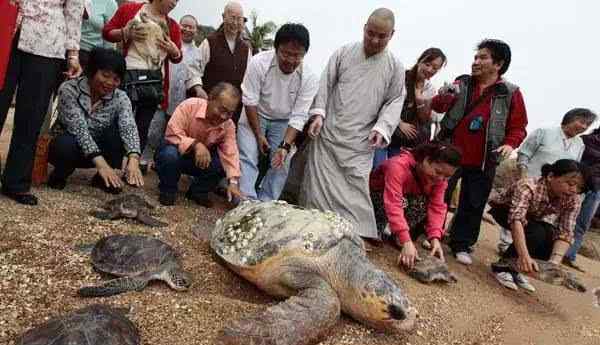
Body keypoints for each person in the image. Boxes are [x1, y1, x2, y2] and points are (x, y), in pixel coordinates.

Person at [300, 8, 406, 240]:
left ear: (392, 35)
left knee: (355, 187)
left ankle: (352, 234)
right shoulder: (344, 52)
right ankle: (314, 227)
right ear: (364, 28)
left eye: (382, 36)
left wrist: (382, 127)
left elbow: (395, 101)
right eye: (371, 33)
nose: (375, 40)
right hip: (330, 131)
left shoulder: (395, 67)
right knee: (318, 186)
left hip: (361, 139)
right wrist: (318, 114)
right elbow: (325, 84)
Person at [431, 39, 528, 265]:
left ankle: (461, 244)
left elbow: (518, 127)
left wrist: (510, 144)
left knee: (474, 202)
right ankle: (429, 232)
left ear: (498, 64)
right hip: (451, 152)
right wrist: (445, 95)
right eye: (476, 57)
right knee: (439, 193)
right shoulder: (462, 83)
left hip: (486, 157)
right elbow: (437, 107)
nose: (476, 62)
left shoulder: (510, 93)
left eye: (483, 58)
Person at [0, 0, 84, 205]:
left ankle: (16, 182)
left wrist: (73, 53)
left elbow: (74, 9)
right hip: (6, 31)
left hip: (47, 43)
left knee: (31, 116)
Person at [237, 23, 319, 201]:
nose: (290, 60)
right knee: (248, 154)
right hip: (256, 112)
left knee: (283, 160)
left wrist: (284, 147)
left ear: (304, 54)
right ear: (276, 49)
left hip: (283, 120)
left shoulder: (309, 78)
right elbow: (249, 100)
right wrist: (259, 135)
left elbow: (299, 116)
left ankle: (266, 202)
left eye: (297, 55)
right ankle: (245, 201)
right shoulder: (259, 62)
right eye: (286, 53)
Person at [497, 108, 596, 253]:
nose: (583, 127)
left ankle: (521, 252)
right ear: (570, 118)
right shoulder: (544, 131)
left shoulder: (579, 144)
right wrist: (523, 175)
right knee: (518, 213)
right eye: (581, 121)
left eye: (587, 125)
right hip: (531, 181)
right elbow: (525, 153)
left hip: (554, 191)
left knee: (539, 228)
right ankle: (506, 246)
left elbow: (575, 170)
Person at [47, 47, 143, 193]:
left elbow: (128, 126)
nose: (110, 82)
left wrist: (134, 158)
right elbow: (79, 130)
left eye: (116, 79)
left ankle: (102, 178)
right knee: (66, 143)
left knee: (117, 134)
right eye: (105, 75)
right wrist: (101, 164)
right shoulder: (69, 89)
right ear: (91, 71)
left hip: (99, 147)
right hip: (71, 147)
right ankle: (60, 174)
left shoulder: (121, 97)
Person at [488, 159, 588, 292]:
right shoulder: (528, 186)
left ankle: (517, 269)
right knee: (536, 233)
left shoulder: (573, 199)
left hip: (531, 218)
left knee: (550, 237)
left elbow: (566, 231)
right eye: (570, 184)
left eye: (578, 187)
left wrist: (554, 262)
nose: (573, 190)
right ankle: (502, 267)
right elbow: (516, 220)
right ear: (551, 176)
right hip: (505, 211)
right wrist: (524, 256)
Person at [102, 0, 182, 161]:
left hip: (153, 84)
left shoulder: (173, 25)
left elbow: (177, 57)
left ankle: (131, 167)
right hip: (127, 78)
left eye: (178, 0)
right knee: (119, 121)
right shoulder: (130, 9)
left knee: (143, 126)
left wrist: (174, 51)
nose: (174, 3)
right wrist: (125, 33)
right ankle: (111, 165)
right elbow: (107, 32)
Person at [370, 143, 461, 268]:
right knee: (400, 203)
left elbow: (437, 207)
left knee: (422, 202)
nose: (441, 178)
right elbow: (393, 202)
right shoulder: (398, 166)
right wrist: (406, 240)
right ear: (426, 159)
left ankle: (397, 236)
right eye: (438, 171)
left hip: (403, 200)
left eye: (447, 176)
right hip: (376, 197)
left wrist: (435, 237)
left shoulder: (439, 181)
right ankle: (375, 228)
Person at [155, 82, 243, 207]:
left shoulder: (228, 125)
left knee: (221, 164)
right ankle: (168, 189)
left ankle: (198, 192)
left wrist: (233, 182)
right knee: (169, 155)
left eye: (229, 113)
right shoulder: (189, 105)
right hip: (176, 152)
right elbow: (172, 133)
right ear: (210, 99)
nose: (224, 116)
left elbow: (231, 153)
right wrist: (196, 145)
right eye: (222, 109)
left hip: (200, 160)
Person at [139, 14, 202, 173]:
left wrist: (198, 88)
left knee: (171, 134)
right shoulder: (169, 42)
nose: (187, 29)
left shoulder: (197, 52)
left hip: (181, 99)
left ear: (196, 30)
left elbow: (194, 74)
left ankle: (159, 163)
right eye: (184, 25)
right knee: (153, 129)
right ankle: (143, 159)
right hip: (162, 92)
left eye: (191, 27)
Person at [373, 48, 447, 169]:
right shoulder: (400, 77)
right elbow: (382, 102)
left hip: (402, 141)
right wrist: (399, 123)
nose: (429, 70)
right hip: (384, 130)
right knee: (378, 168)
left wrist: (419, 98)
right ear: (420, 60)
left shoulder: (429, 89)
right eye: (427, 64)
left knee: (394, 171)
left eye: (435, 68)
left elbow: (424, 118)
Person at [186, 1, 252, 124]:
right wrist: (198, 88)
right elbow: (194, 68)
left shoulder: (245, 48)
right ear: (223, 17)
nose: (235, 23)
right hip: (210, 104)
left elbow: (249, 77)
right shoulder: (210, 42)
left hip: (233, 109)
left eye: (239, 19)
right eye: (232, 18)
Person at [563, 125, 600, 271]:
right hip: (577, 185)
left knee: (583, 223)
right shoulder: (585, 140)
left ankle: (569, 256)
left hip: (596, 190)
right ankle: (549, 250)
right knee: (564, 216)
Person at [79, 0, 118, 69]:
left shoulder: (110, 3)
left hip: (90, 56)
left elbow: (109, 39)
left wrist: (107, 63)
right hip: (63, 50)